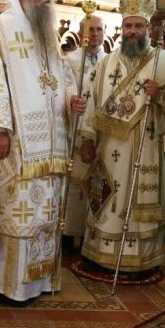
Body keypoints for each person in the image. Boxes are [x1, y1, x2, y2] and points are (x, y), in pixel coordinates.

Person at [0, 0, 86, 300]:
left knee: (45, 212)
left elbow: (62, 76)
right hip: (18, 142)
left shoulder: (48, 32)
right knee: (17, 212)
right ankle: (5, 285)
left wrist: (72, 100)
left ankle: (38, 281)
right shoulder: (0, 30)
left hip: (50, 144)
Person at [78, 0, 165, 278]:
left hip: (146, 142)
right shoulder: (107, 63)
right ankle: (100, 254)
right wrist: (88, 137)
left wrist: (161, 95)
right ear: (122, 28)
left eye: (138, 26)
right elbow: (93, 101)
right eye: (128, 26)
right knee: (107, 195)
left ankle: (141, 260)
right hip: (109, 146)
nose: (132, 31)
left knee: (137, 195)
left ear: (148, 29)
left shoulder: (163, 61)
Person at [64, 14, 107, 241]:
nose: (95, 34)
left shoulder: (110, 61)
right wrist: (72, 98)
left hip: (102, 129)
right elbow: (65, 88)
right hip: (77, 125)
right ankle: (71, 232)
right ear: (81, 33)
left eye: (99, 30)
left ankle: (94, 233)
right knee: (76, 181)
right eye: (90, 30)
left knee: (98, 181)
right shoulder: (70, 60)